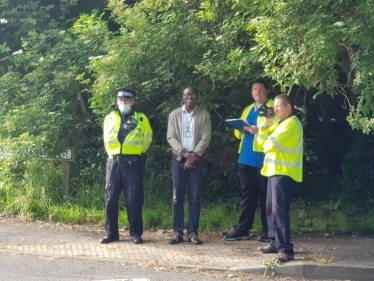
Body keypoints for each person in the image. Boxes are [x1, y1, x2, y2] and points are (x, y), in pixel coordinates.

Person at [101, 88, 153, 245]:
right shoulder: (109, 118)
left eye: (126, 100)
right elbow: (106, 139)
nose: (123, 103)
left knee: (134, 200)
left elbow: (147, 140)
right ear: (117, 101)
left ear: (132, 102)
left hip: (132, 163)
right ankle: (111, 233)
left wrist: (134, 153)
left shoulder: (141, 119)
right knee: (110, 199)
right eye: (120, 100)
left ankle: (136, 233)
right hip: (114, 163)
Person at [224, 80, 273, 242]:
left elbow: (273, 128)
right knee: (247, 196)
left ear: (266, 91)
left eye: (260, 89)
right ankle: (243, 229)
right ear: (251, 93)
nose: (257, 92)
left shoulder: (271, 107)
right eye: (254, 89)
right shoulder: (247, 109)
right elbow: (239, 134)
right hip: (245, 157)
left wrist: (257, 130)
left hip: (263, 158)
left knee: (266, 195)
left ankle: (268, 231)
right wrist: (240, 129)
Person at [256, 93, 303, 262]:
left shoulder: (292, 123)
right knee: (270, 209)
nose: (274, 110)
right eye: (273, 107)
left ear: (288, 107)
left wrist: (266, 136)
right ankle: (274, 242)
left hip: (284, 172)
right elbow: (261, 143)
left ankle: (286, 249)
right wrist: (266, 125)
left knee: (279, 210)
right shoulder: (277, 123)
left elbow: (269, 144)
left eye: (277, 107)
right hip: (272, 171)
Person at [167, 86, 211, 245]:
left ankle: (193, 232)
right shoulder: (174, 115)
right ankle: (177, 232)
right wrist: (185, 154)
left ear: (196, 97)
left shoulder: (204, 115)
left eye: (192, 94)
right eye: (186, 95)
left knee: (195, 197)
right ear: (182, 97)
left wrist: (193, 157)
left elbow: (205, 139)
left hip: (197, 160)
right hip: (178, 160)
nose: (189, 97)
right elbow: (170, 137)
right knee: (177, 197)